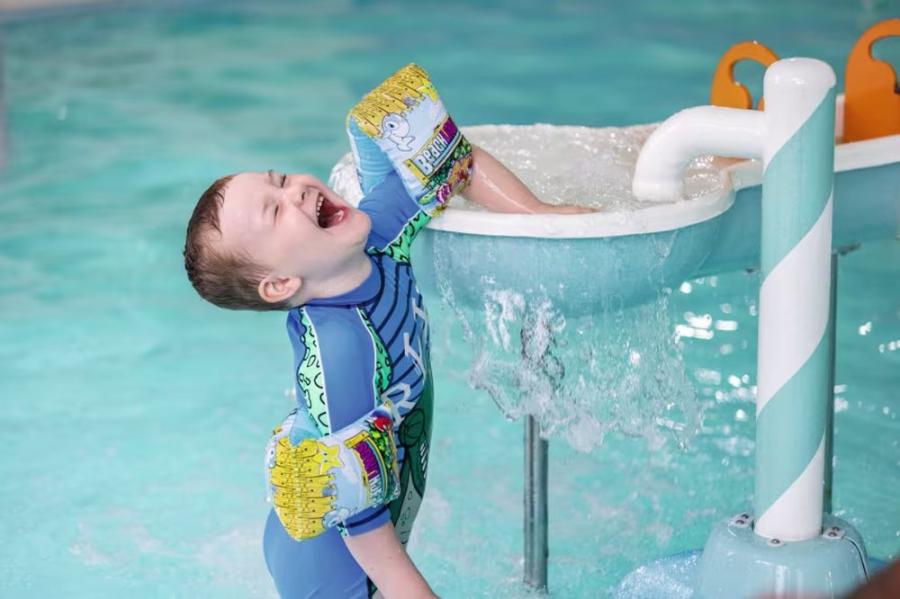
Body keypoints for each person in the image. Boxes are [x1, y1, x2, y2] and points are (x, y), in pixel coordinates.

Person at [182, 66, 589, 598]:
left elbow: (450, 162)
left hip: (358, 527)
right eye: (274, 210)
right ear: (281, 283)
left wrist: (540, 214)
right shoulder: (341, 348)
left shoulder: (376, 235)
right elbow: (361, 518)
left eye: (280, 180)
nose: (297, 192)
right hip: (332, 570)